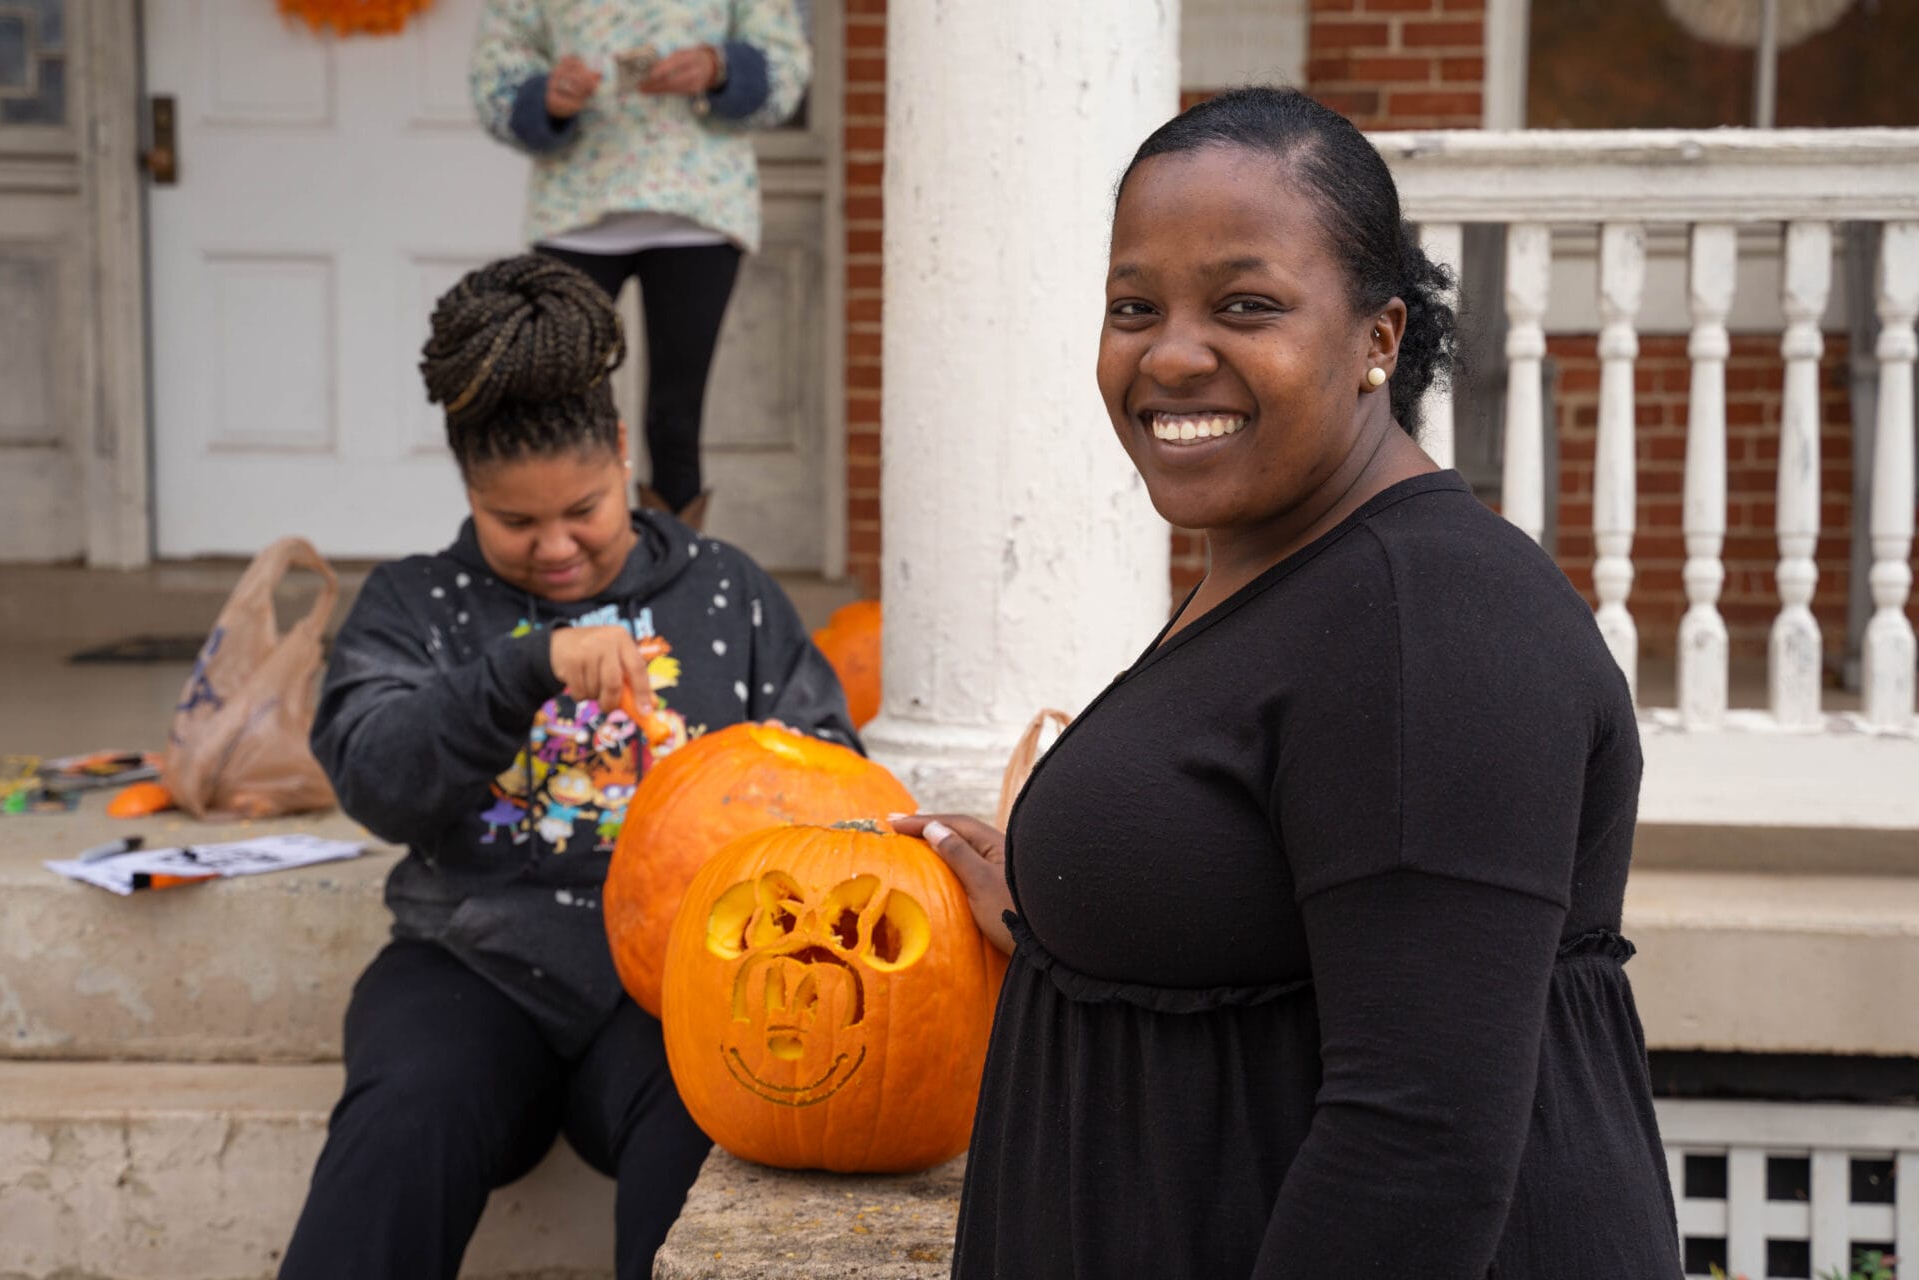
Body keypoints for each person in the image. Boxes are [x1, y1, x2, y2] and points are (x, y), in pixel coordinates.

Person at [893, 88, 1683, 1278]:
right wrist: (1064, 909)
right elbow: (1276, 916)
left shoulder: (1430, 620)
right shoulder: (1285, 567)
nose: (1170, 352)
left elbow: (1414, 1148)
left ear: (1379, 338)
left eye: (1245, 304)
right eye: (1132, 306)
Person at [280, 254, 856, 1280]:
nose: (555, 548)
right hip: (470, 966)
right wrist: (519, 671)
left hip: (676, 989)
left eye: (584, 509)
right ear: (466, 489)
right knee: (403, 1113)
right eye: (515, 522)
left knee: (707, 1134)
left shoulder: (726, 594)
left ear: (626, 453)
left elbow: (833, 776)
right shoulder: (418, 605)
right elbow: (375, 774)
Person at [470, 0, 812, 529]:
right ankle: (572, 573)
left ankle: (674, 584)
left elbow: (786, 72)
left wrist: (720, 68)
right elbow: (495, 76)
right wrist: (546, 99)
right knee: (561, 414)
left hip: (698, 210)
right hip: (575, 211)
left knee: (676, 419)